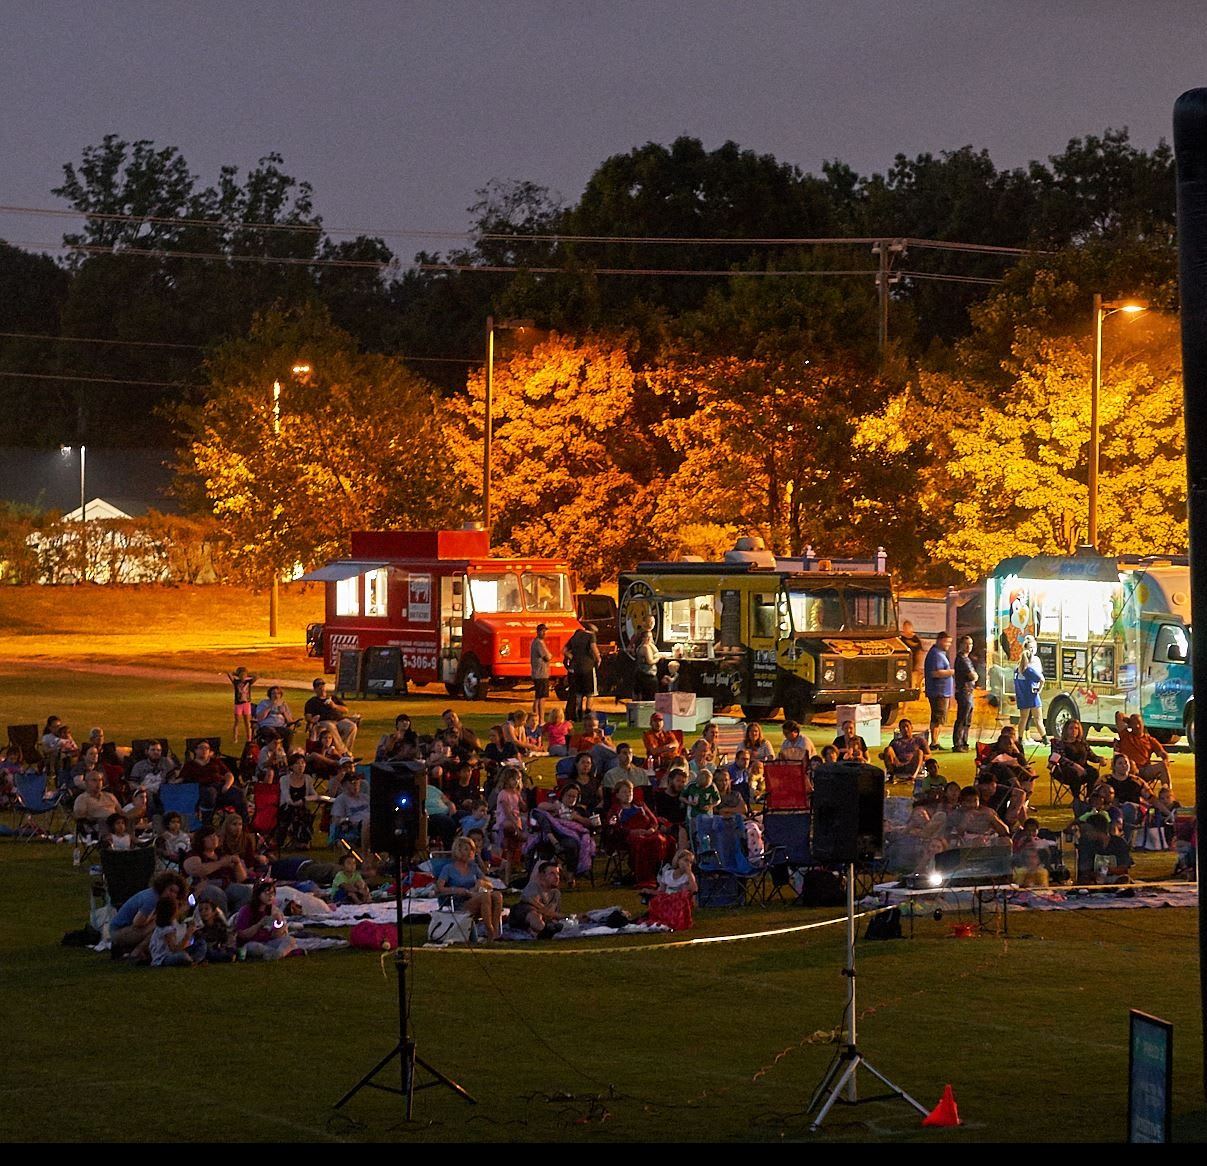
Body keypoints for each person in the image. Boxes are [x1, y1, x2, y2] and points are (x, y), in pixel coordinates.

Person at [606, 778, 674, 887]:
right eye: (624, 792)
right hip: (630, 835)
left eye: (630, 792)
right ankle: (644, 877)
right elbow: (614, 826)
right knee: (642, 843)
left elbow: (653, 820)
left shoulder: (640, 805)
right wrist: (633, 831)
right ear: (617, 795)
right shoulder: (615, 810)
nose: (628, 794)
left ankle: (660, 872)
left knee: (662, 840)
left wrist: (651, 829)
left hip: (648, 831)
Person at [435, 836, 502, 940]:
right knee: (485, 896)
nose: (471, 852)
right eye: (467, 849)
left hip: (477, 899)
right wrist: (457, 890)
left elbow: (490, 884)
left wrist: (482, 882)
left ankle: (495, 931)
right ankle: (490, 930)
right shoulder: (448, 868)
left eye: (472, 849)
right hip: (460, 903)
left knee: (497, 895)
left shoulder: (473, 867)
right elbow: (439, 888)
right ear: (458, 851)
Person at [109, 871, 189, 956]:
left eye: (175, 893)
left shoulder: (155, 896)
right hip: (119, 931)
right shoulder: (152, 899)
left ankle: (132, 950)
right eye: (171, 890)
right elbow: (138, 923)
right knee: (160, 927)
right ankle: (137, 951)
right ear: (163, 886)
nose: (172, 895)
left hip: (124, 929)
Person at [183, 826, 251, 913]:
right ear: (201, 839)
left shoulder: (222, 853)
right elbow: (197, 870)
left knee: (247, 891)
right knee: (215, 892)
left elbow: (242, 878)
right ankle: (223, 921)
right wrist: (221, 863)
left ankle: (235, 919)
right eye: (209, 837)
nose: (213, 838)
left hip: (227, 885)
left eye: (215, 836)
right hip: (204, 887)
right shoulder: (194, 854)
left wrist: (237, 864)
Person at [179, 740, 245, 821]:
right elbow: (181, 778)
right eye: (201, 748)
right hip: (202, 788)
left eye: (207, 748)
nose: (204, 750)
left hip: (221, 787)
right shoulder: (190, 765)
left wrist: (227, 786)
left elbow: (229, 775)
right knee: (210, 793)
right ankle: (207, 821)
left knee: (239, 793)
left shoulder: (216, 761)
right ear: (195, 750)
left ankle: (243, 823)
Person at [232, 878, 296, 959]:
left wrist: (278, 923)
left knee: (290, 940)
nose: (270, 896)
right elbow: (242, 935)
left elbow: (276, 936)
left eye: (272, 893)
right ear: (258, 894)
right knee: (254, 947)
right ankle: (277, 953)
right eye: (267, 893)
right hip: (251, 943)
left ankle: (278, 954)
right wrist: (260, 924)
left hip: (268, 942)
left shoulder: (274, 910)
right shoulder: (246, 910)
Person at [1114, 711, 1172, 789]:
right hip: (1127, 768)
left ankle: (1167, 792)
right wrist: (1129, 720)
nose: (1137, 726)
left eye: (1139, 723)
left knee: (1163, 766)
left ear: (1143, 724)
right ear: (1130, 725)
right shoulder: (1125, 735)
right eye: (1134, 724)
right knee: (1131, 764)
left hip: (1145, 770)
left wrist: (1165, 759)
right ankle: (1134, 790)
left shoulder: (1150, 740)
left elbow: (1162, 753)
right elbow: (1119, 715)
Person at [509, 860, 565, 938]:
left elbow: (551, 913)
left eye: (558, 874)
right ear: (542, 875)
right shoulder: (534, 886)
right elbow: (541, 909)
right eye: (552, 874)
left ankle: (543, 931)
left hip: (542, 918)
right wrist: (567, 916)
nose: (557, 877)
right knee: (534, 913)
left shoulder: (556, 893)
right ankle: (543, 930)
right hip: (523, 914)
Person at [1052, 719, 1103, 803]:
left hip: (1083, 769)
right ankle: (1076, 799)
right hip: (1064, 771)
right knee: (1074, 773)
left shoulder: (1083, 744)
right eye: (1071, 728)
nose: (1074, 731)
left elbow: (1091, 756)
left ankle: (1089, 798)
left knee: (1094, 772)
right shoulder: (1059, 744)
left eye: (1076, 728)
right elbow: (1060, 758)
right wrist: (1075, 766)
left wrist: (1100, 759)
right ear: (1066, 730)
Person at [1075, 811, 1133, 884]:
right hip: (1094, 878)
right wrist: (1097, 875)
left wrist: (1107, 870)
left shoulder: (1119, 843)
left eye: (1089, 830)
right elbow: (1085, 870)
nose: (1086, 833)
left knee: (1124, 879)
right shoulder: (1087, 844)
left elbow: (1124, 868)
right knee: (1085, 881)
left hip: (1115, 878)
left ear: (1097, 830)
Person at [646, 848, 697, 931]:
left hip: (678, 900)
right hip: (666, 898)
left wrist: (689, 872)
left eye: (690, 862)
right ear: (678, 861)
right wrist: (649, 891)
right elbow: (661, 891)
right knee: (656, 901)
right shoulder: (668, 874)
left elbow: (694, 889)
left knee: (679, 899)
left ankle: (673, 919)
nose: (688, 864)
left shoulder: (688, 877)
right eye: (686, 860)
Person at [304, 677, 361, 751]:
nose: (322, 688)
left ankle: (341, 751)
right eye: (319, 686)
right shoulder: (312, 702)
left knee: (351, 726)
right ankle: (344, 752)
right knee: (331, 726)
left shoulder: (333, 698)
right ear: (315, 689)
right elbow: (308, 716)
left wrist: (334, 706)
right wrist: (312, 720)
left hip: (339, 720)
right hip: (324, 721)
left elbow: (345, 710)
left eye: (323, 686)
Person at [150, 894, 206, 968]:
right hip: (164, 958)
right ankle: (192, 961)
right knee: (182, 956)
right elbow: (174, 949)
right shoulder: (167, 929)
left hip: (174, 954)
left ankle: (193, 960)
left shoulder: (170, 925)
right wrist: (187, 935)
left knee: (201, 944)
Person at [924, 631, 955, 749]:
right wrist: (952, 672)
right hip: (938, 691)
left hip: (942, 691)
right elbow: (936, 673)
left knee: (939, 717)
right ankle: (934, 742)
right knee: (938, 717)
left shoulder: (939, 653)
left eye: (950, 642)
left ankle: (935, 741)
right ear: (940, 640)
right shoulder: (935, 654)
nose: (948, 644)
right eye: (947, 641)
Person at [564, 623, 601, 721]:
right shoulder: (591, 636)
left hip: (577, 668)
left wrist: (573, 657)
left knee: (579, 693)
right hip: (588, 667)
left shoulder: (575, 636)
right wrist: (598, 658)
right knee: (590, 693)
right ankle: (588, 713)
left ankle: (579, 714)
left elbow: (564, 650)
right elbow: (594, 648)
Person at [72, 772, 124, 838]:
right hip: (96, 825)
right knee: (103, 821)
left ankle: (132, 841)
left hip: (116, 822)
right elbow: (79, 817)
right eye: (94, 780)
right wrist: (99, 817)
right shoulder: (82, 799)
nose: (98, 783)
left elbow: (121, 812)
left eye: (100, 780)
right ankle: (106, 842)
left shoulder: (109, 796)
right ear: (86, 783)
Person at [1014, 638, 1046, 743]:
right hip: (1032, 694)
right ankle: (1045, 739)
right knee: (1038, 718)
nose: (1032, 650)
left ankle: (1020, 739)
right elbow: (1041, 679)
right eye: (1030, 648)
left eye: (1034, 647)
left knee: (1023, 718)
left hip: (1022, 696)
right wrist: (1039, 690)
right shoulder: (1028, 670)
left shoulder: (1018, 668)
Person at [329, 770, 370, 853]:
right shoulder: (341, 799)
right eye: (352, 783)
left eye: (358, 782)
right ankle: (365, 856)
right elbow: (335, 821)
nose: (356, 785)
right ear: (344, 784)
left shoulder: (365, 798)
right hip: (354, 829)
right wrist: (346, 821)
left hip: (370, 824)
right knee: (367, 824)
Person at [952, 635, 978, 752]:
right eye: (966, 644)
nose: (969, 647)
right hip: (964, 691)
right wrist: (974, 676)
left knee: (967, 719)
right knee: (962, 718)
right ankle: (958, 744)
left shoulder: (967, 659)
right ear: (961, 645)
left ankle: (964, 742)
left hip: (968, 691)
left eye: (971, 644)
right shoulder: (962, 659)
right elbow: (973, 676)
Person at [254, 685, 300, 750]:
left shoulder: (283, 704)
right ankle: (273, 751)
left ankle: (285, 753)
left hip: (280, 726)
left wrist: (284, 712)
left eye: (278, 693)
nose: (276, 695)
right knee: (272, 733)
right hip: (267, 726)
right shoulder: (264, 703)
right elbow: (260, 718)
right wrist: (270, 706)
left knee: (289, 732)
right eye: (273, 693)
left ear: (280, 695)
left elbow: (289, 720)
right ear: (270, 694)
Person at [224, 666, 258, 746]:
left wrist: (248, 674)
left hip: (246, 704)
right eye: (241, 675)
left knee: (247, 722)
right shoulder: (236, 682)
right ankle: (235, 738)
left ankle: (249, 738)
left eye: (244, 675)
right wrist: (235, 673)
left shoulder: (248, 682)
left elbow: (257, 676)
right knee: (237, 722)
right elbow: (229, 674)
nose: (243, 677)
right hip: (238, 704)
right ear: (238, 675)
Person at [530, 622, 553, 721]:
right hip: (541, 674)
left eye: (545, 631)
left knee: (538, 697)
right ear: (538, 632)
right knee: (541, 698)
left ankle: (536, 717)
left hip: (538, 673)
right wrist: (550, 655)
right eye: (542, 631)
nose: (544, 633)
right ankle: (541, 719)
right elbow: (548, 657)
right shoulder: (539, 643)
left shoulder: (536, 642)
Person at [632, 625, 659, 702]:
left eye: (651, 637)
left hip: (641, 675)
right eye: (648, 637)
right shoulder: (645, 647)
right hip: (648, 676)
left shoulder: (641, 646)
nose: (650, 639)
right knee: (650, 698)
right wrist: (658, 658)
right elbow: (650, 661)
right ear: (643, 638)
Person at [899, 619, 925, 693]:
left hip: (913, 667)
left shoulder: (915, 639)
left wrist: (918, 665)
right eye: (905, 627)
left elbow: (919, 653)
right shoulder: (901, 639)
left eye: (908, 627)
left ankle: (909, 702)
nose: (906, 629)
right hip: (903, 667)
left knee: (912, 685)